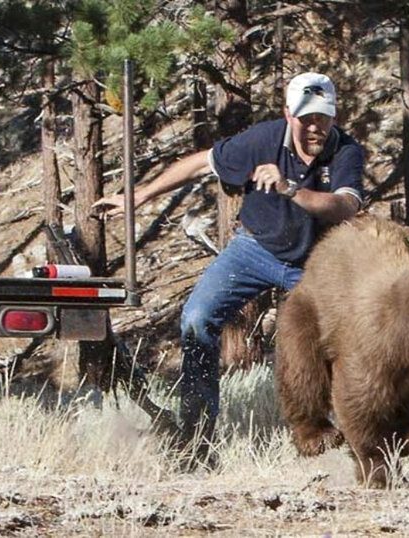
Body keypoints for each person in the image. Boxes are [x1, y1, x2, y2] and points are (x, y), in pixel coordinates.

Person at [93, 72, 366, 461]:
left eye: (322, 117)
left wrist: (290, 188)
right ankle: (197, 436)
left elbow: (345, 206)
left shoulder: (345, 152)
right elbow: (200, 163)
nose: (314, 127)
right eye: (306, 118)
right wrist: (139, 196)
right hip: (253, 249)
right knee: (196, 318)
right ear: (289, 115)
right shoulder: (263, 140)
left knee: (343, 341)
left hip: (316, 261)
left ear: (333, 117)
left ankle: (349, 440)